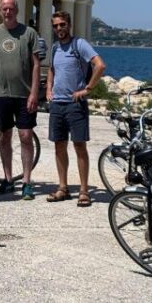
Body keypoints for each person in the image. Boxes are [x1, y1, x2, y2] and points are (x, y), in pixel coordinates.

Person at [0, 0, 41, 199]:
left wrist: (34, 93)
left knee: (26, 136)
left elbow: (36, 64)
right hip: (1, 93)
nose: (8, 11)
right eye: (4, 8)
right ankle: (8, 179)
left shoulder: (29, 33)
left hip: (24, 95)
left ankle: (27, 182)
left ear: (17, 10)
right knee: (4, 137)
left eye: (11, 8)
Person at [45, 11, 106, 207]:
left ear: (69, 25)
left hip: (75, 105)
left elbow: (100, 65)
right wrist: (48, 90)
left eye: (62, 24)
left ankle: (84, 191)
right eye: (55, 26)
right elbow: (52, 69)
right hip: (57, 104)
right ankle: (63, 188)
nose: (59, 29)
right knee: (59, 145)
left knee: (79, 146)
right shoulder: (55, 48)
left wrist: (87, 89)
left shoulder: (79, 44)